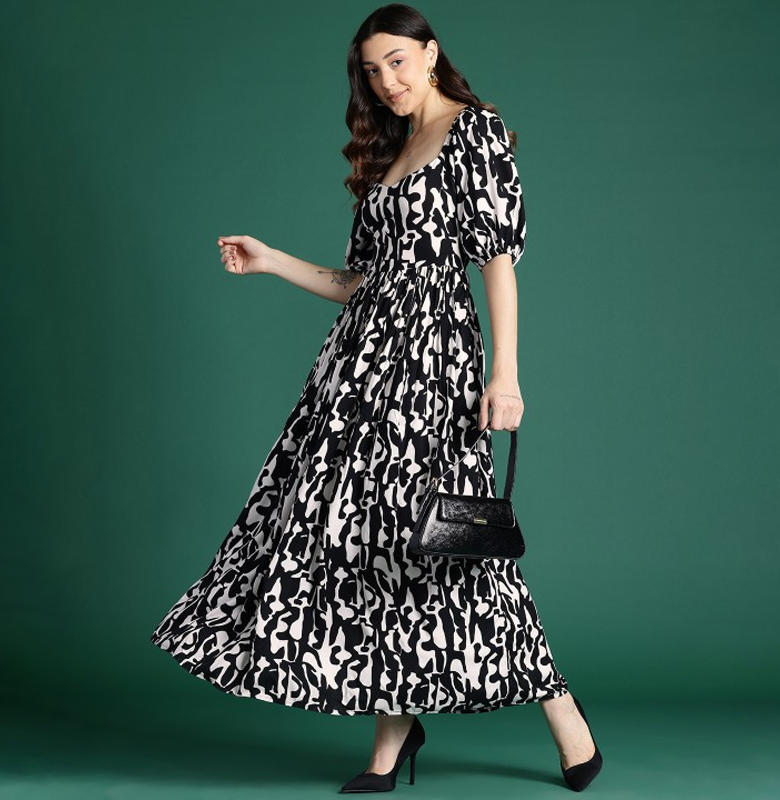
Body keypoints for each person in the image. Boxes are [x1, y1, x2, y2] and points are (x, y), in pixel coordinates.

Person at [150, 2, 603, 794]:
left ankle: (562, 712)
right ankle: (393, 737)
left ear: (430, 54)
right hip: (359, 370)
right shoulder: (390, 152)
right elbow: (357, 283)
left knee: (450, 543)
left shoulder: (474, 131)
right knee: (373, 539)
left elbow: (496, 261)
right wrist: (270, 260)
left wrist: (505, 374)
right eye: (371, 69)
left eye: (397, 60)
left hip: (433, 366)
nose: (386, 80)